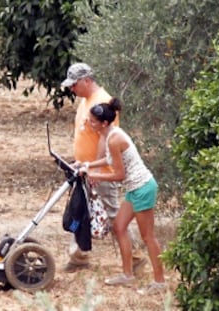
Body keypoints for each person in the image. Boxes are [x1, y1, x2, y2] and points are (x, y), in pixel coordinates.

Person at [61, 63, 146, 273]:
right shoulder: (85, 101)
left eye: (75, 85)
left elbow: (105, 140)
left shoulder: (102, 103)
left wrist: (95, 171)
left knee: (111, 213)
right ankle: (78, 256)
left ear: (87, 80)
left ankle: (135, 256)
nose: (72, 89)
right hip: (86, 169)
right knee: (81, 209)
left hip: (98, 172)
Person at [80, 98, 167, 295]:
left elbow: (119, 175)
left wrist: (93, 175)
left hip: (142, 188)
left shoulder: (114, 139)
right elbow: (110, 160)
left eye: (93, 121)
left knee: (148, 237)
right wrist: (88, 165)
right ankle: (127, 275)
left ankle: (160, 282)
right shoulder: (111, 134)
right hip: (134, 188)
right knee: (119, 228)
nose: (89, 123)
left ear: (103, 123)